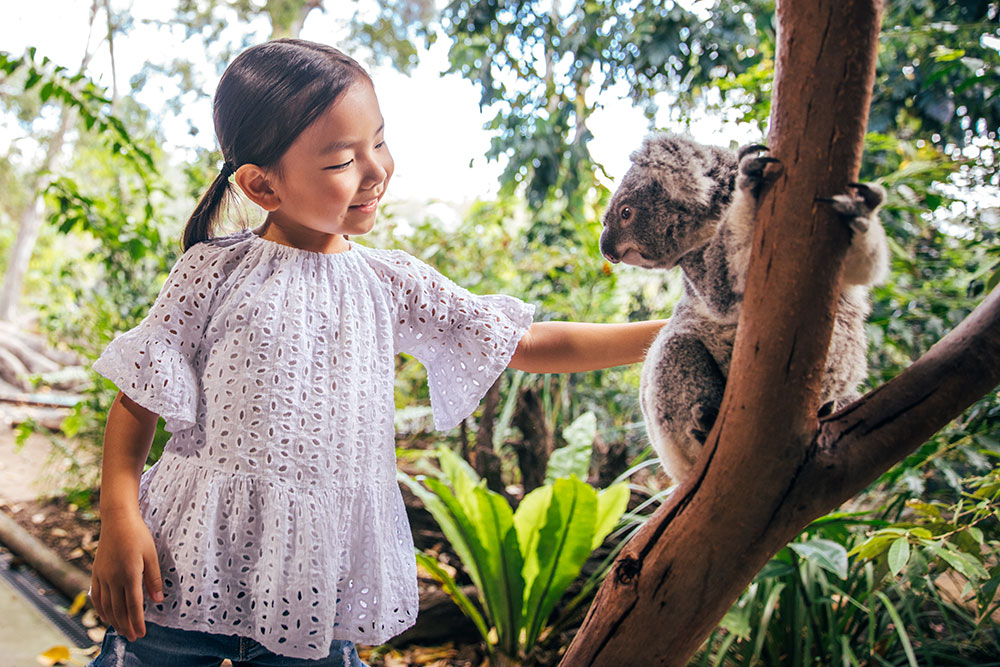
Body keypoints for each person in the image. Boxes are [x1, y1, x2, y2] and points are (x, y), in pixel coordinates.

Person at [87, 38, 666, 666]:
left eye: (380, 142)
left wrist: (677, 331)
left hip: (311, 580)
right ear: (261, 185)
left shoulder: (391, 283)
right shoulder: (213, 273)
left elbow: (526, 343)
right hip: (182, 559)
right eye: (342, 161)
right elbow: (138, 398)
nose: (377, 171)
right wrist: (119, 516)